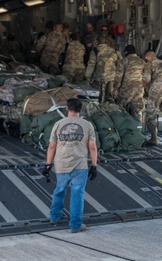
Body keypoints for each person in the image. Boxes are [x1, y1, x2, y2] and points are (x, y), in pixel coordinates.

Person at [44, 97, 98, 234]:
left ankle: (54, 217)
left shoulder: (58, 124)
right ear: (80, 110)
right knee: (77, 193)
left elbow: (51, 147)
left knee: (60, 189)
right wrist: (94, 166)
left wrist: (48, 165)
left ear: (67, 109)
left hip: (61, 164)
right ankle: (75, 225)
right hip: (80, 165)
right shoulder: (87, 125)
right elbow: (92, 147)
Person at [85, 35, 122, 103]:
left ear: (97, 42)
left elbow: (91, 65)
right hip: (111, 78)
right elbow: (120, 63)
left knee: (98, 97)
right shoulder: (114, 51)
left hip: (99, 78)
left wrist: (88, 77)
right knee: (110, 97)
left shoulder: (95, 51)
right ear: (106, 41)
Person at [117, 45, 147, 118]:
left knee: (121, 108)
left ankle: (124, 126)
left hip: (126, 88)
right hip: (139, 89)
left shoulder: (124, 61)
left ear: (126, 52)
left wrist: (116, 88)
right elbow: (146, 76)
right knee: (137, 110)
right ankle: (137, 126)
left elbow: (118, 76)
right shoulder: (142, 62)